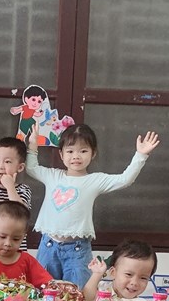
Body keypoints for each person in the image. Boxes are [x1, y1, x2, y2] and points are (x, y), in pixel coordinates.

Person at [26, 123, 160, 288]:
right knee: (43, 290)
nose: (76, 156)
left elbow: (125, 179)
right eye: (70, 151)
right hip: (48, 246)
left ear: (93, 153)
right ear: (61, 154)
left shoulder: (95, 180)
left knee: (78, 294)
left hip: (77, 250)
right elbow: (31, 168)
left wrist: (141, 155)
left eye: (83, 151)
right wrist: (33, 145)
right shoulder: (52, 175)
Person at [0, 201, 53, 287]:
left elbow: (48, 283)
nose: (8, 243)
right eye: (2, 237)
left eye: (16, 239)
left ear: (23, 238)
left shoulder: (28, 261)